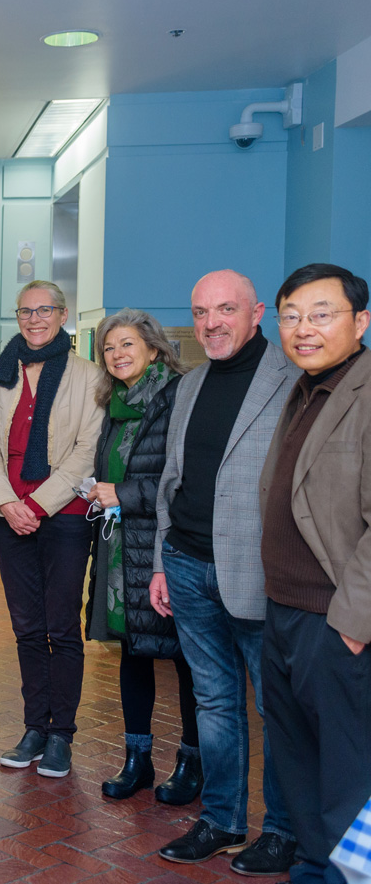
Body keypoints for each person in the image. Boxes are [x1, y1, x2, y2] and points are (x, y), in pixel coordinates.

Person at [152, 269, 298, 876]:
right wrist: (164, 560)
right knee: (213, 702)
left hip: (259, 573)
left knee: (277, 706)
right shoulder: (190, 384)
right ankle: (222, 819)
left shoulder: (292, 381)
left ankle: (285, 831)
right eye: (201, 312)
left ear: (256, 312)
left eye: (225, 310)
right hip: (186, 566)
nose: (211, 323)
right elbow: (171, 478)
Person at [259, 263, 371, 884]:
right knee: (296, 761)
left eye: (321, 314)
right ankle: (312, 868)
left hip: (336, 619)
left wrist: (352, 626)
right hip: (283, 609)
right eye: (292, 316)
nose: (304, 329)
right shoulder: (303, 388)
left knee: (346, 772)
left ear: (361, 321)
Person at [0, 280, 103, 779]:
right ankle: (34, 726)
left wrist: (37, 503)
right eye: (25, 311)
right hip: (9, 514)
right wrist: (9, 503)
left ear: (63, 313)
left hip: (65, 515)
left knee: (61, 626)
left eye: (44, 310)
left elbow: (86, 451)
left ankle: (61, 735)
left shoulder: (89, 375)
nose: (34, 319)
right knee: (27, 627)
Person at [83, 310, 200, 803]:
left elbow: (182, 480)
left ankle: (192, 764)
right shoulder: (114, 404)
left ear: (153, 348)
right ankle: (138, 761)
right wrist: (101, 492)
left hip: (165, 548)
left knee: (185, 660)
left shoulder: (177, 398)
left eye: (127, 344)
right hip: (118, 549)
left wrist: (120, 494)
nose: (117, 354)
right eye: (109, 348)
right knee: (133, 654)